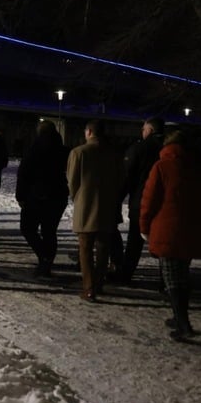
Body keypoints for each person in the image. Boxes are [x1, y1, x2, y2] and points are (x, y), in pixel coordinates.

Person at [139, 129, 201, 340]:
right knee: (182, 274)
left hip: (168, 230)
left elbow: (150, 200)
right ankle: (179, 317)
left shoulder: (163, 166)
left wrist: (144, 225)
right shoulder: (200, 168)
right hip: (193, 230)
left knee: (172, 279)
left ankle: (184, 324)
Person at [66, 119, 125, 302]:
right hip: (107, 207)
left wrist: (78, 197)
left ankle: (89, 287)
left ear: (89, 132)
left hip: (86, 206)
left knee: (85, 248)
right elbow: (121, 180)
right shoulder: (114, 154)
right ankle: (99, 283)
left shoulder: (79, 152)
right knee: (103, 248)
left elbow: (72, 181)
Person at [15, 120, 70, 277]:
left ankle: (44, 257)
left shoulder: (35, 149)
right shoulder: (63, 150)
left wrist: (20, 196)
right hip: (58, 196)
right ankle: (46, 262)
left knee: (27, 228)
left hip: (36, 196)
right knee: (49, 231)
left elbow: (23, 174)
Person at [114, 116, 165, 284]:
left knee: (135, 241)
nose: (142, 132)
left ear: (150, 130)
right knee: (164, 241)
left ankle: (126, 274)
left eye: (143, 129)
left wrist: (117, 199)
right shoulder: (168, 148)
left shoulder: (139, 149)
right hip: (165, 204)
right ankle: (166, 280)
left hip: (141, 201)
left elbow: (127, 177)